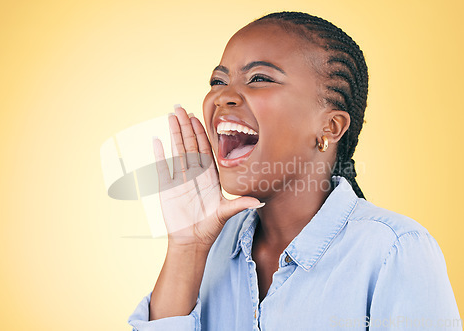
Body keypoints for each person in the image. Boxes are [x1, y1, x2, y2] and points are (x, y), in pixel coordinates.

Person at [128, 11, 461, 330]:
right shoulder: (211, 245)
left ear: (330, 127)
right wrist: (187, 246)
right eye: (218, 80)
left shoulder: (395, 251)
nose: (222, 96)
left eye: (259, 78)